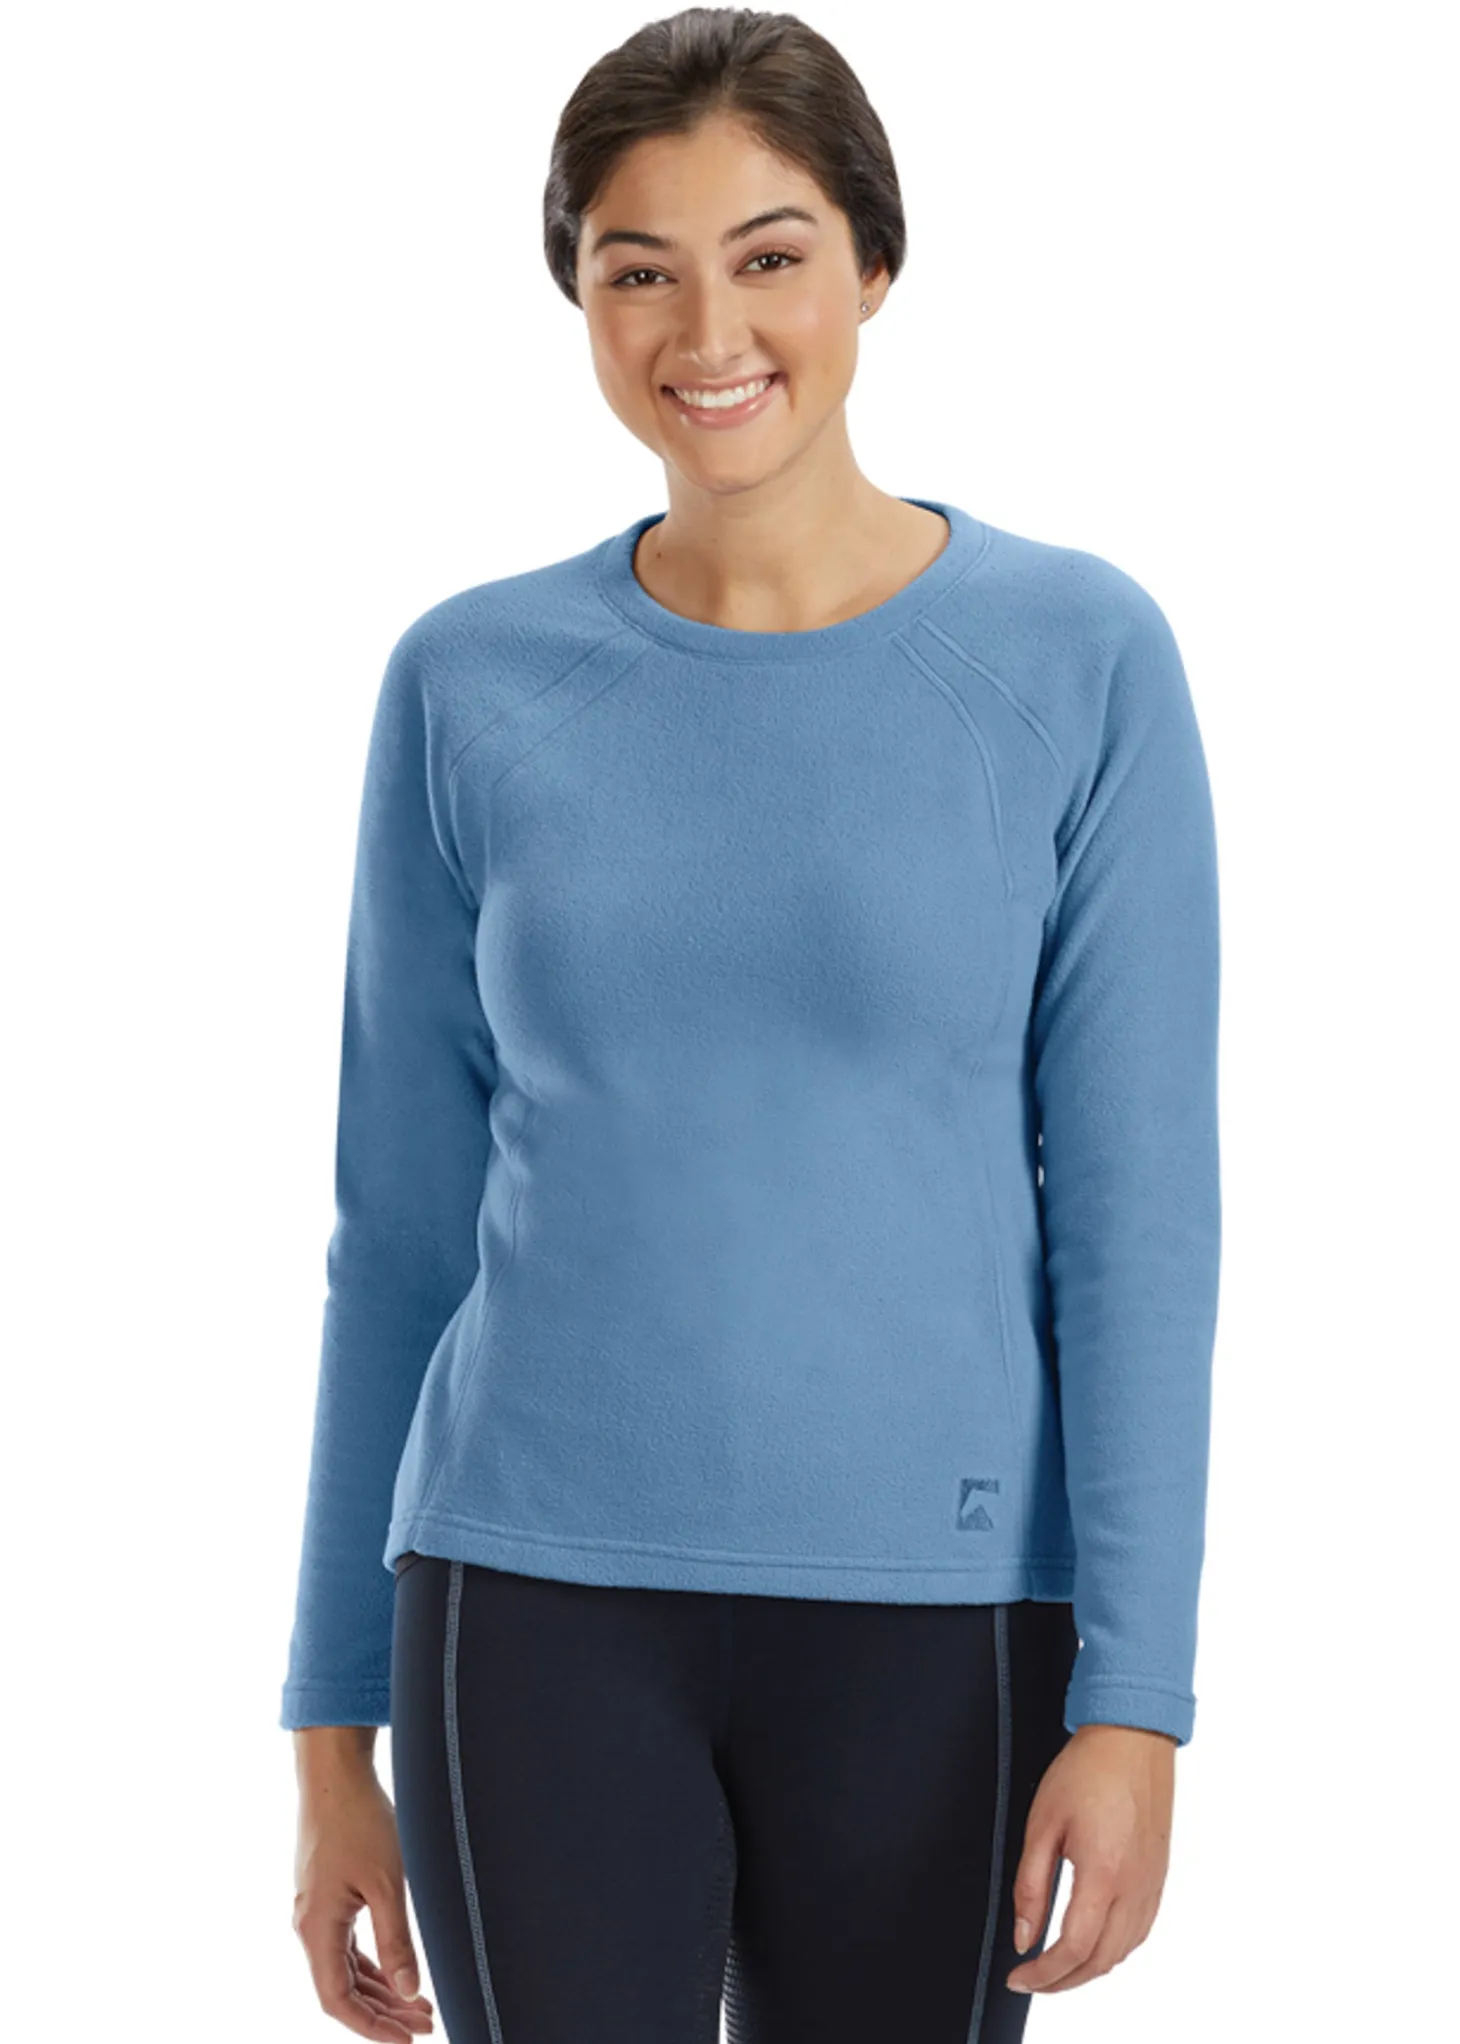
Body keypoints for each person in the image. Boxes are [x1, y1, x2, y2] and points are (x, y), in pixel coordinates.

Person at [282, 10, 1222, 2042]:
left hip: (941, 1622)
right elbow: (397, 1235)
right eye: (639, 267)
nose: (707, 330)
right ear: (578, 295)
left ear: (875, 265)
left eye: (769, 255)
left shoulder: (1077, 661)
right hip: (526, 1604)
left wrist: (1137, 1696)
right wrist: (328, 1729)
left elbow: (1137, 1221)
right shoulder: (468, 682)